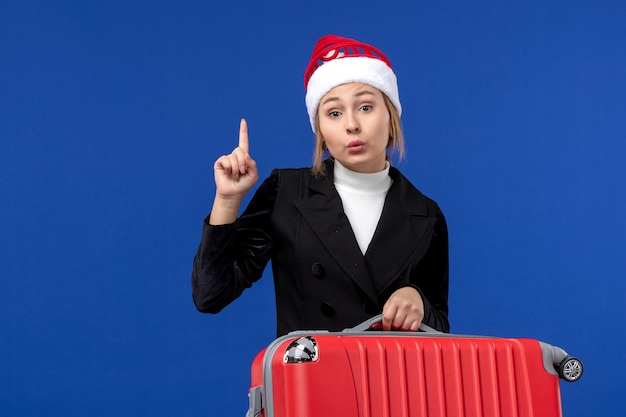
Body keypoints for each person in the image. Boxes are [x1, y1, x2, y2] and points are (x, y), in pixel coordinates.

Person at [192, 34, 449, 336]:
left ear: (390, 117)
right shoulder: (286, 192)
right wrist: (226, 199)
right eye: (334, 112)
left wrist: (417, 301)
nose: (351, 124)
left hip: (388, 379)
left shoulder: (425, 213)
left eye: (365, 107)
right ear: (321, 130)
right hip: (310, 377)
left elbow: (441, 325)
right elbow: (210, 295)